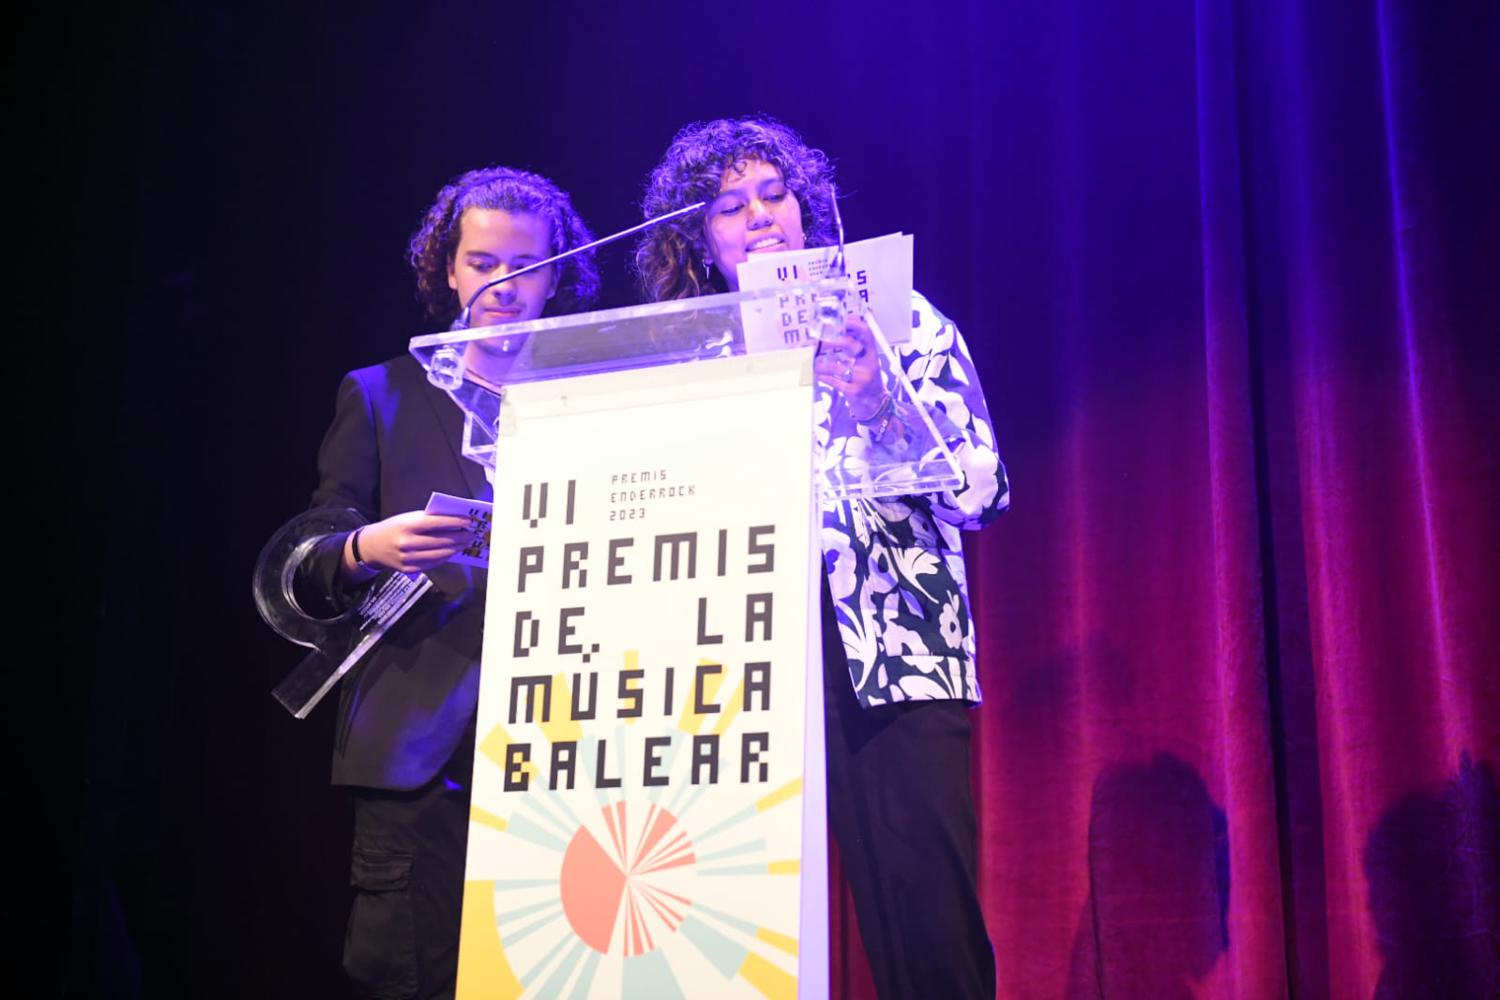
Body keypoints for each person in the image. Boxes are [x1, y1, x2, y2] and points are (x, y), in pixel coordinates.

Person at [635, 118, 1009, 999]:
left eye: (775, 195)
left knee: (927, 930)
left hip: (892, 659)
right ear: (700, 237)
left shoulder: (903, 321)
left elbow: (983, 492)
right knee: (723, 941)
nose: (760, 216)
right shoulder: (691, 352)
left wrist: (881, 401)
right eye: (730, 207)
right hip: (736, 671)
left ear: (807, 207)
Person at [277, 166, 600, 999]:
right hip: (417, 741)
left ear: (556, 276)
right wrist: (366, 547)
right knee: (411, 975)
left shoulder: (594, 399)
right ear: (448, 270)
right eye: (482, 263)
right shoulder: (381, 394)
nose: (504, 285)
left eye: (526, 266)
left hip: (567, 737)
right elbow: (307, 559)